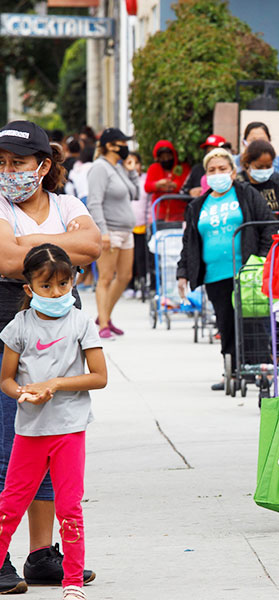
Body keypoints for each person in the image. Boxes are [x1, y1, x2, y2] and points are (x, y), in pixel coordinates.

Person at [0, 120, 99, 593]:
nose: (7, 172)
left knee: (49, 441)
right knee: (9, 448)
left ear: (42, 165)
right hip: (11, 334)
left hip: (62, 346)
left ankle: (41, 555)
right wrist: (62, 252)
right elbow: (4, 259)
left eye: (16, 163)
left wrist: (29, 251)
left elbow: (94, 246)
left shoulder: (67, 203)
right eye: (0, 163)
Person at [0, 244, 107, 600]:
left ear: (74, 282)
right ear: (29, 288)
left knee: (70, 508)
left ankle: (73, 581)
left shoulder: (80, 322)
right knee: (9, 507)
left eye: (64, 284)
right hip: (29, 431)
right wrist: (22, 395)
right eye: (46, 286)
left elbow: (99, 376)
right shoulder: (19, 326)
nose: (56, 292)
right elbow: (6, 380)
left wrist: (56, 384)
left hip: (69, 430)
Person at [176, 148, 274, 390]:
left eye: (222, 169)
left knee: (252, 320)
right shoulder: (198, 205)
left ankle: (262, 369)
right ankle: (231, 370)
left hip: (247, 272)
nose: (217, 174)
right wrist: (183, 273)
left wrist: (259, 259)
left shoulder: (246, 194)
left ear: (232, 172)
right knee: (226, 323)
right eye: (212, 170)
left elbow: (267, 225)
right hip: (215, 275)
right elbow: (189, 241)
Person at [86, 128, 138, 340]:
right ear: (110, 145)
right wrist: (103, 232)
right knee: (106, 277)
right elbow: (94, 202)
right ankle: (104, 324)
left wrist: (131, 171)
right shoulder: (99, 168)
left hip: (126, 231)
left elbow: (135, 194)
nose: (125, 147)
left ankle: (105, 315)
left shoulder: (117, 168)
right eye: (122, 143)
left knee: (125, 276)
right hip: (111, 230)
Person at [237, 140, 279, 220]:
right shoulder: (240, 184)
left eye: (268, 166)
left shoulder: (278, 180)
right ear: (247, 164)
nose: (264, 170)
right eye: (259, 167)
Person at [238, 122, 279, 192]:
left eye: (262, 140)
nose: (257, 144)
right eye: (253, 140)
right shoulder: (233, 161)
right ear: (244, 142)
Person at [124, 152, 149, 298]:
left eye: (136, 162)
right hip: (125, 226)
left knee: (141, 256)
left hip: (141, 224)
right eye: (129, 162)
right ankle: (129, 285)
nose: (133, 166)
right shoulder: (121, 180)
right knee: (128, 258)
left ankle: (143, 284)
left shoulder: (145, 180)